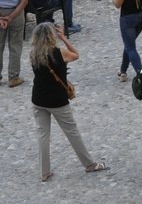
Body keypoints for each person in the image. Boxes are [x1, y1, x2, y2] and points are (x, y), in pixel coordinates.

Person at [30, 21, 107, 181]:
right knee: (72, 132)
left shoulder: (33, 53)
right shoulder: (59, 52)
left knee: (43, 135)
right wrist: (64, 38)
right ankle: (89, 164)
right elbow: (76, 54)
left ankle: (44, 172)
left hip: (38, 98)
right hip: (57, 99)